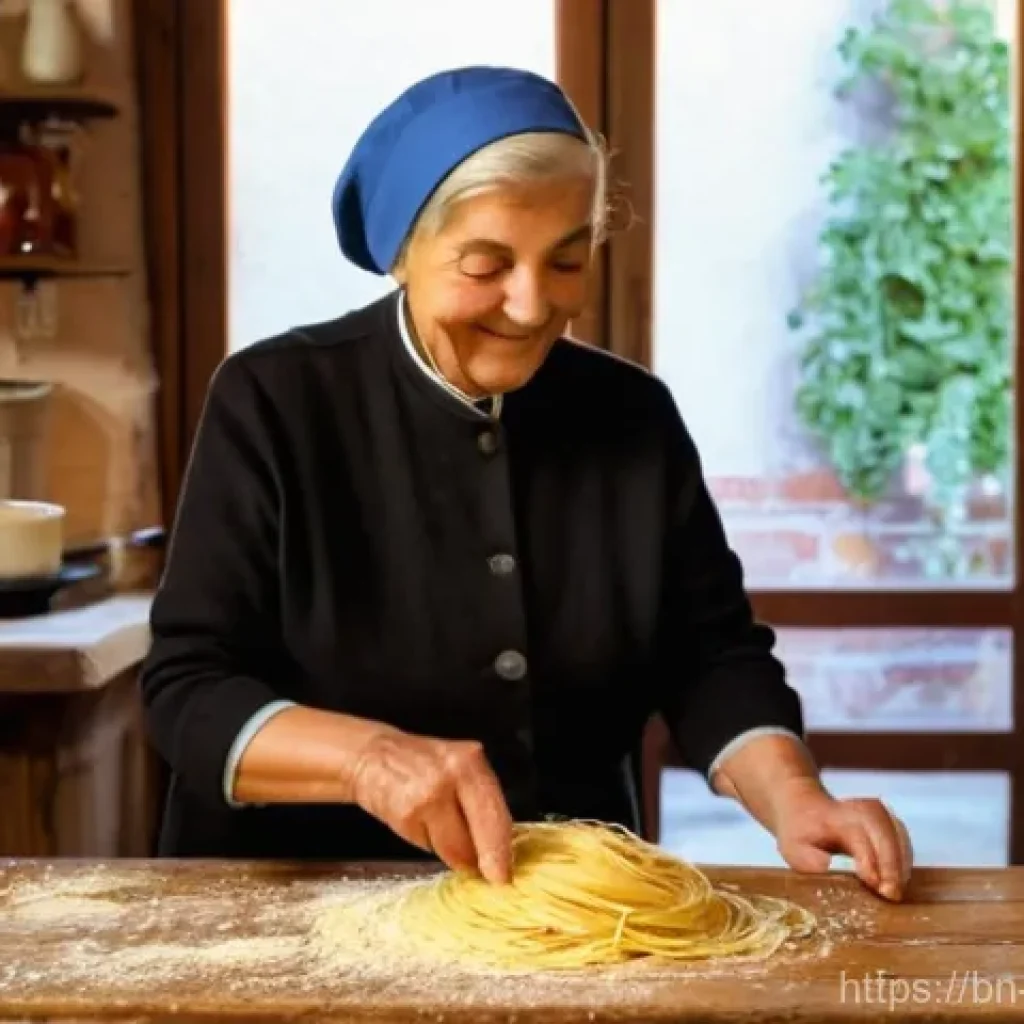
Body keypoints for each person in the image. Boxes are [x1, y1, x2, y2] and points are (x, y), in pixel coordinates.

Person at [140, 65, 913, 899]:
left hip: (563, 912)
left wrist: (795, 796)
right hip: (292, 905)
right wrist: (369, 761)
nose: (531, 305)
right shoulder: (273, 400)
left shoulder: (634, 415)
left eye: (567, 261)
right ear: (403, 255)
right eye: (486, 265)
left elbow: (711, 657)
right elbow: (189, 691)